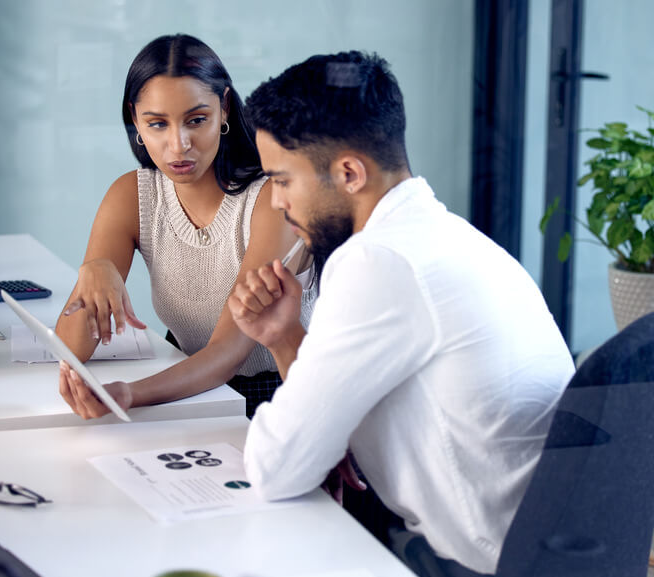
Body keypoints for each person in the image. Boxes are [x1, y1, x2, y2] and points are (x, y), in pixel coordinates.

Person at [228, 51, 575, 577]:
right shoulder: (445, 237)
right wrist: (282, 336)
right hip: (545, 541)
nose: (276, 203)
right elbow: (325, 423)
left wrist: (309, 443)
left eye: (282, 180)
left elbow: (277, 468)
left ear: (348, 172)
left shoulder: (378, 262)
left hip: (479, 562)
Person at [56, 34, 315, 419]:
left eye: (196, 120)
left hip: (281, 394)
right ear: (135, 121)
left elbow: (228, 354)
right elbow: (71, 352)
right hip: (188, 387)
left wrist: (130, 393)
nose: (178, 146)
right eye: (157, 124)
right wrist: (93, 270)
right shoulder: (132, 195)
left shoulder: (272, 199)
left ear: (224, 109)